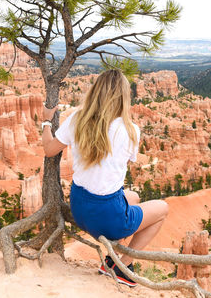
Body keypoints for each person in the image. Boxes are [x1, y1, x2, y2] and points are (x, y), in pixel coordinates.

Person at [41, 69, 169, 287]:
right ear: (123, 97)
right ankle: (122, 267)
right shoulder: (130, 130)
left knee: (134, 197)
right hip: (106, 216)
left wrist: (46, 122)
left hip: (79, 209)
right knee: (163, 209)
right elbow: (120, 167)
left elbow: (49, 150)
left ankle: (113, 257)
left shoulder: (78, 118)